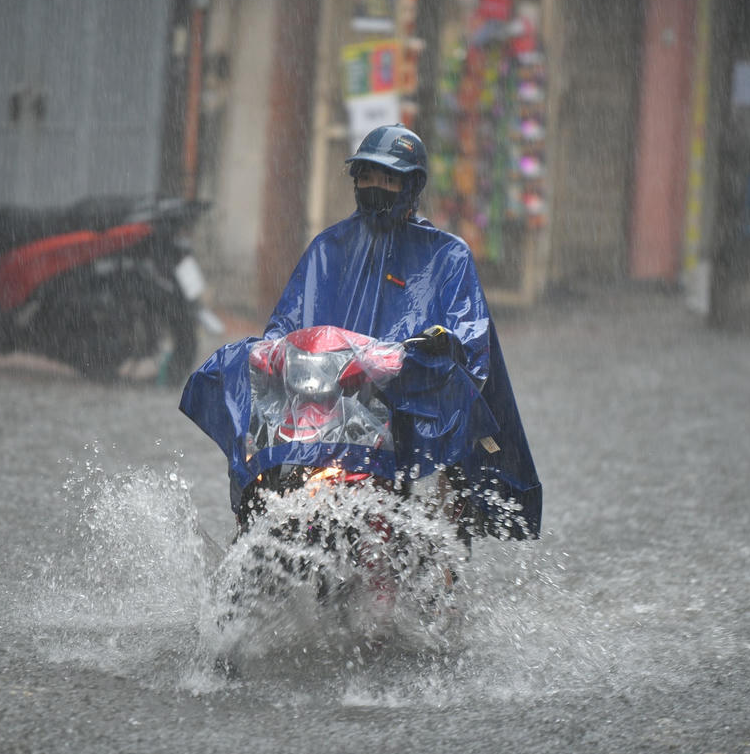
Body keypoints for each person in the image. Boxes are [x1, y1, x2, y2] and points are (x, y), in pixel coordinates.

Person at [181, 124, 541, 540]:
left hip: (410, 410)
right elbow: (286, 324)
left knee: (444, 501)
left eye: (388, 178)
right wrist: (269, 351)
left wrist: (434, 350)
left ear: (412, 185)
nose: (376, 187)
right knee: (267, 483)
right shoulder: (328, 249)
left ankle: (440, 580)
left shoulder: (447, 255)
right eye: (366, 176)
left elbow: (467, 336)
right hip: (331, 409)